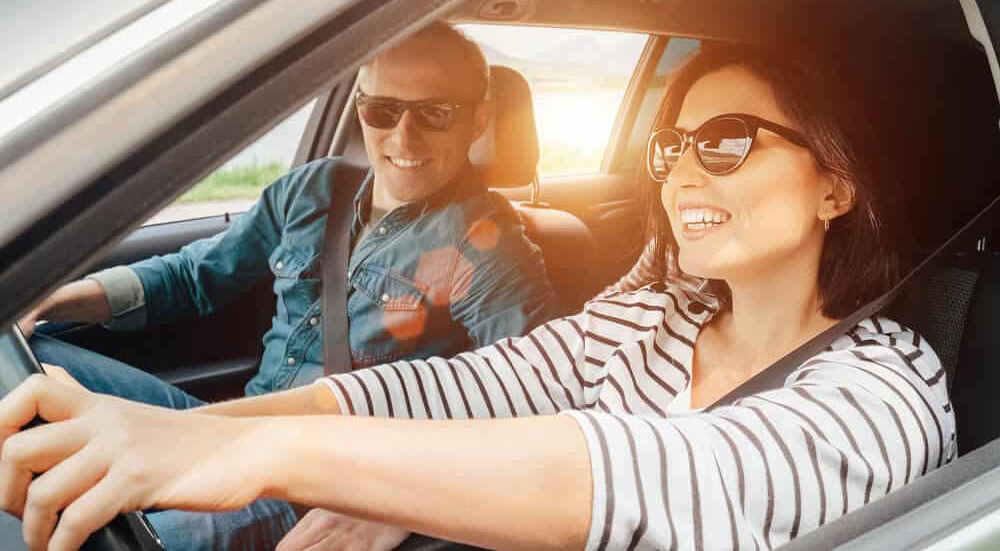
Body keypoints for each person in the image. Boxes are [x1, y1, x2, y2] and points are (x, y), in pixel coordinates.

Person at [0, 45, 955, 551]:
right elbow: (469, 385)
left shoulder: (889, 396)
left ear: (837, 183)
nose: (682, 178)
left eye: (730, 141)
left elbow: (650, 473)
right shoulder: (659, 308)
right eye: (672, 146)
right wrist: (200, 435)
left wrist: (272, 454)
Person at [12, 21, 561, 550]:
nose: (403, 135)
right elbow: (195, 274)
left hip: (319, 484)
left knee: (101, 538)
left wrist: (400, 505)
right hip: (230, 424)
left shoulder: (490, 249)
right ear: (360, 107)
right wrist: (57, 298)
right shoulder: (314, 190)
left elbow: (537, 405)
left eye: (436, 113)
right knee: (19, 356)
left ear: (479, 118)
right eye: (382, 110)